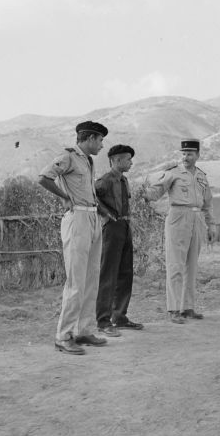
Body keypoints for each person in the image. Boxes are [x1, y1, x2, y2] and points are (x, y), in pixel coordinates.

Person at [38, 120, 109, 355]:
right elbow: (44, 177)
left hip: (92, 219)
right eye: (99, 140)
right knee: (76, 281)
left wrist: (101, 213)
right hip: (76, 219)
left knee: (92, 278)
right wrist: (64, 198)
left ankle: (84, 330)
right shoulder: (68, 157)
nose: (101, 145)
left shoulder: (88, 161)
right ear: (89, 138)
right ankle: (63, 335)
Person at [143, 139, 217, 324]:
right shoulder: (173, 173)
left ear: (198, 155)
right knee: (175, 264)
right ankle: (174, 309)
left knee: (192, 265)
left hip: (197, 218)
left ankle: (188, 307)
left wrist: (211, 225)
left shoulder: (201, 176)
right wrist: (142, 193)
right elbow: (156, 191)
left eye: (190, 154)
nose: (186, 157)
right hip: (178, 216)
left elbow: (208, 203)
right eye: (183, 153)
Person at [95, 144, 144, 336]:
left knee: (125, 273)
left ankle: (120, 317)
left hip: (124, 226)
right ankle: (103, 321)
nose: (131, 163)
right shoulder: (105, 180)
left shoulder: (124, 180)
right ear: (116, 161)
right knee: (109, 274)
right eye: (128, 159)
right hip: (112, 228)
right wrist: (105, 213)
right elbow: (92, 195)